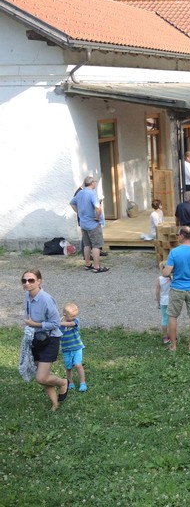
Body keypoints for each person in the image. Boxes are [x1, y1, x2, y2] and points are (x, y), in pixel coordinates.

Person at [22, 269, 69, 410]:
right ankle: (55, 403)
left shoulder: (46, 299)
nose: (27, 283)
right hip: (36, 339)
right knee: (42, 374)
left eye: (31, 280)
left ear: (39, 281)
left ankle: (63, 382)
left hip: (50, 340)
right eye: (24, 280)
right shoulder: (27, 295)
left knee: (41, 377)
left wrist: (35, 324)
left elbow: (56, 323)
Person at [69, 175, 109, 273]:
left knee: (87, 245)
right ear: (92, 183)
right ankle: (96, 267)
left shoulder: (80, 193)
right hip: (92, 224)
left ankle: (87, 264)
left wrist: (79, 212)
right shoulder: (91, 194)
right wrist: (98, 217)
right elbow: (98, 207)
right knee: (96, 245)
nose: (95, 183)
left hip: (83, 223)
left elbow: (72, 203)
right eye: (95, 182)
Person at [59, 303, 87, 392]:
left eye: (75, 315)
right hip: (66, 349)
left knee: (78, 365)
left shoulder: (75, 321)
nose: (74, 317)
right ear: (64, 314)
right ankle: (70, 382)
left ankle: (83, 382)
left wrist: (57, 323)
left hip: (77, 347)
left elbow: (71, 323)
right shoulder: (59, 322)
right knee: (68, 367)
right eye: (72, 316)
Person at [156, 260, 171, 344]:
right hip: (172, 301)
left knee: (165, 318)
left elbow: (157, 292)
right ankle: (173, 334)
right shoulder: (173, 278)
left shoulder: (159, 279)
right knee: (172, 318)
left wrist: (158, 302)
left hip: (163, 301)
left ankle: (165, 336)